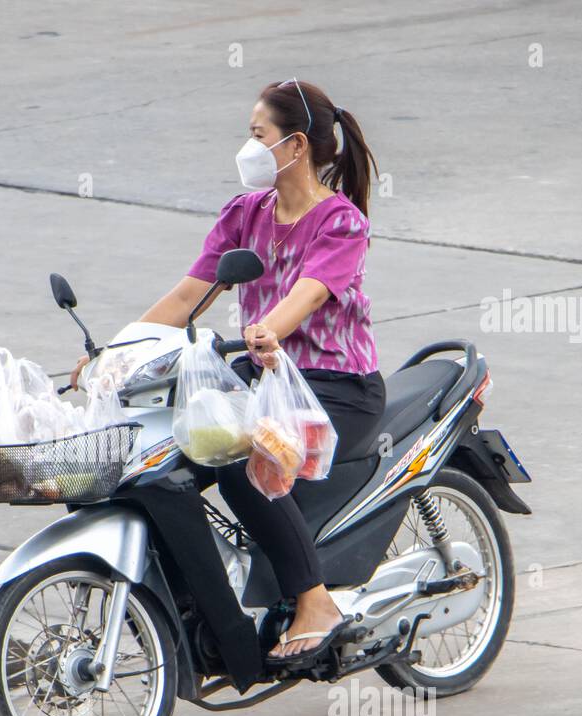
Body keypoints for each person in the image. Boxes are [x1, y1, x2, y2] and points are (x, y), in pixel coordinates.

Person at [72, 78, 385, 665]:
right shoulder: (245, 214)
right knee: (168, 452)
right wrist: (114, 356)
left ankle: (315, 602)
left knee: (247, 460)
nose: (247, 147)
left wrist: (272, 327)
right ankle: (207, 607)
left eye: (256, 135)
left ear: (294, 146)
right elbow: (190, 294)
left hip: (336, 386)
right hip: (264, 375)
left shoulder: (340, 222)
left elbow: (312, 293)